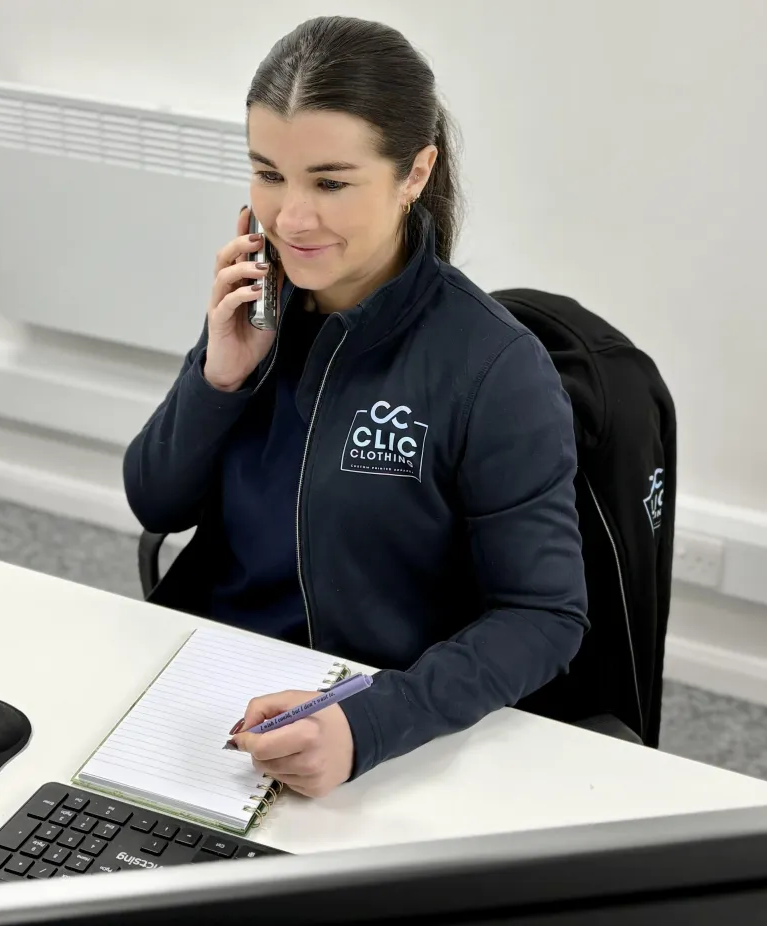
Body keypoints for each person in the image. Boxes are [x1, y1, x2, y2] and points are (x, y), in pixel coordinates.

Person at [124, 15, 588, 798]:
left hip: (369, 715)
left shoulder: (494, 368)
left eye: (331, 182)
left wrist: (368, 722)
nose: (292, 218)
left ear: (414, 173)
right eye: (268, 173)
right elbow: (155, 500)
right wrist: (220, 376)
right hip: (210, 689)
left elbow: (543, 616)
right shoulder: (262, 305)